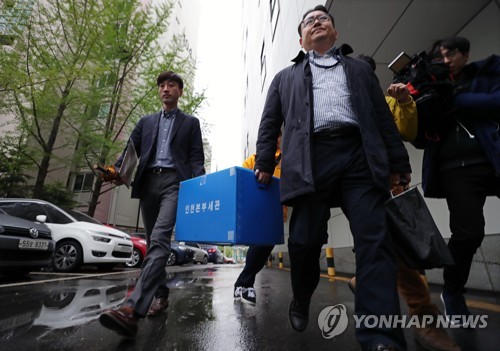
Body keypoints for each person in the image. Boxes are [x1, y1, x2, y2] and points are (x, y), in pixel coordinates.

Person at [254, 5, 411, 351]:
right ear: (301, 38)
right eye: (310, 21)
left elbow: (382, 118)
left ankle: (380, 337)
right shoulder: (285, 77)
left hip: (358, 157)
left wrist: (398, 163)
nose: (317, 22)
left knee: (376, 242)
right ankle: (301, 296)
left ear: (335, 33)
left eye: (324, 19)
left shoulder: (358, 70)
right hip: (310, 159)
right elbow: (269, 125)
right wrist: (264, 162)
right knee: (304, 242)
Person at [349, 54, 460, 351]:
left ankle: (423, 319)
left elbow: (406, 131)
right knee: (381, 245)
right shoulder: (332, 99)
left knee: (402, 245)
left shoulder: (381, 100)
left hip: (387, 181)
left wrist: (406, 102)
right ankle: (412, 317)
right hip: (355, 185)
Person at [99, 71, 205, 337]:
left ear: (180, 91)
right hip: (148, 184)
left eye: (171, 85)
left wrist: (200, 187)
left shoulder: (190, 123)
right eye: (162, 86)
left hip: (174, 184)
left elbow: (196, 158)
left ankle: (132, 310)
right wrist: (117, 170)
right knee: (152, 242)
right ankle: (161, 293)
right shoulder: (145, 122)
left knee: (159, 240)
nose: (165, 89)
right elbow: (129, 152)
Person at [419, 36, 500, 327]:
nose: (445, 60)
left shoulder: (485, 74)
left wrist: (455, 97)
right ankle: (452, 291)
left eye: (450, 54)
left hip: (492, 159)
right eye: (439, 57)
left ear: (464, 53)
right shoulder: (430, 87)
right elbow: (418, 134)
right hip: (457, 169)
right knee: (468, 234)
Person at [233, 133, 286, 305]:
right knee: (259, 245)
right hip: (256, 211)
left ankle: (241, 283)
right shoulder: (253, 160)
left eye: (277, 136)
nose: (275, 139)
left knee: (264, 249)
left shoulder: (286, 160)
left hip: (275, 212)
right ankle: (246, 284)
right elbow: (241, 182)